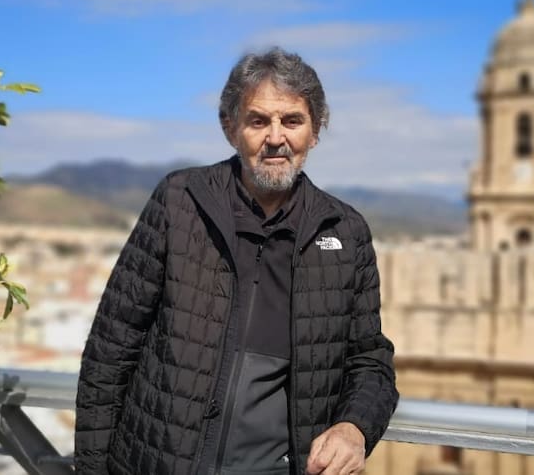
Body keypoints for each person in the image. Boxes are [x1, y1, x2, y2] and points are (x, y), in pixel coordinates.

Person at [76, 47, 398, 475]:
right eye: (258, 120)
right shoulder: (180, 201)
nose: (276, 137)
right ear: (231, 128)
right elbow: (110, 350)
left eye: (293, 121)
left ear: (315, 132)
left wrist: (355, 427)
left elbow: (370, 360)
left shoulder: (345, 231)